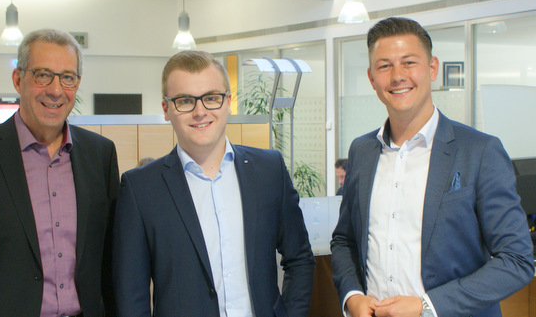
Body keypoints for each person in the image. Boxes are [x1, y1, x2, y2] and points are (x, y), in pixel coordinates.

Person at [330, 17, 534, 317]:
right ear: (372, 78)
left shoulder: (479, 151)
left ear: (432, 68)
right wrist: (352, 296)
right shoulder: (362, 151)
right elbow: (344, 240)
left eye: (409, 62)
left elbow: (516, 260)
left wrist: (427, 307)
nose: (398, 76)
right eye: (384, 66)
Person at [113, 50, 315, 317]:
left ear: (228, 102)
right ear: (166, 109)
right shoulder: (140, 188)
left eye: (211, 98)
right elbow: (131, 295)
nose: (200, 112)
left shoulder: (269, 170)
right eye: (185, 101)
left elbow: (299, 259)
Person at [0, 29, 119, 316]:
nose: (56, 90)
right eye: (43, 74)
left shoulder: (101, 155)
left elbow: (110, 262)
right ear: (18, 79)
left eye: (67, 77)